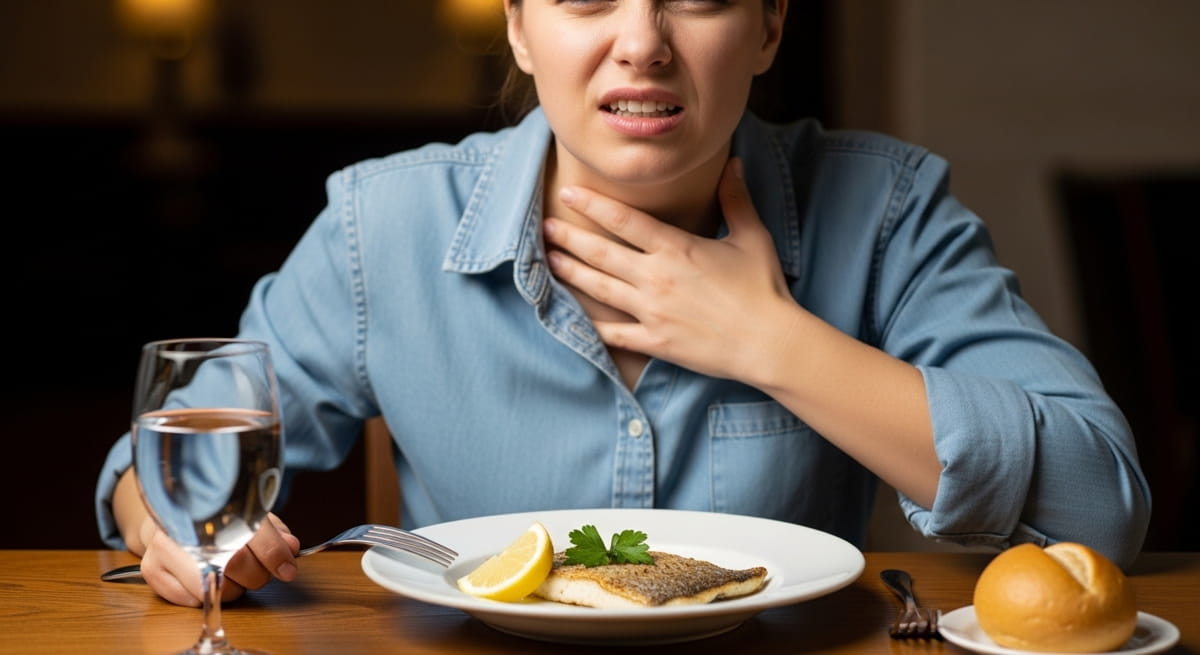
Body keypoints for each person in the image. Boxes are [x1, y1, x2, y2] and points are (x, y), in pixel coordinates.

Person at [96, 0, 1150, 607]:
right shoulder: (385, 225)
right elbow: (158, 470)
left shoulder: (887, 211)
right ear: (519, 27)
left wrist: (772, 341)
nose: (643, 41)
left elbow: (1102, 508)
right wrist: (174, 536)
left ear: (770, 26)